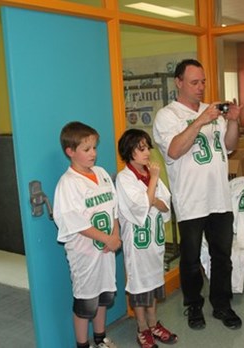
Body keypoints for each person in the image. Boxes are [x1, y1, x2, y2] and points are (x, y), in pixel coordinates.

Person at [152, 58, 243, 330]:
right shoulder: (167, 115)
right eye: (194, 82)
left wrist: (234, 122)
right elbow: (174, 150)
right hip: (191, 200)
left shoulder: (212, 111)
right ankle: (193, 306)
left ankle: (222, 305)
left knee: (222, 256)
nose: (201, 87)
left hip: (219, 198)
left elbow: (229, 146)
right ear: (179, 82)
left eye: (203, 81)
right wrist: (200, 120)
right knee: (190, 259)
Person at [53, 122, 121, 348]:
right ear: (70, 152)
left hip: (106, 252)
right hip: (85, 255)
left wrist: (116, 234)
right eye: (87, 149)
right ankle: (82, 344)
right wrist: (107, 239)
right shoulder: (68, 183)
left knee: (103, 298)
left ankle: (100, 339)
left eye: (94, 147)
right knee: (86, 305)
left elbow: (114, 208)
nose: (93, 153)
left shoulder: (101, 174)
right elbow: (74, 222)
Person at [115, 129, 178, 348]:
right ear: (129, 151)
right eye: (141, 148)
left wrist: (151, 197)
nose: (147, 152)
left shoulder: (150, 174)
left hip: (155, 244)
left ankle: (153, 324)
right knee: (140, 287)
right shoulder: (125, 178)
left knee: (153, 285)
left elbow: (163, 203)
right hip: (138, 245)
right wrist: (152, 184)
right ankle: (142, 328)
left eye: (147, 147)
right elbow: (141, 206)